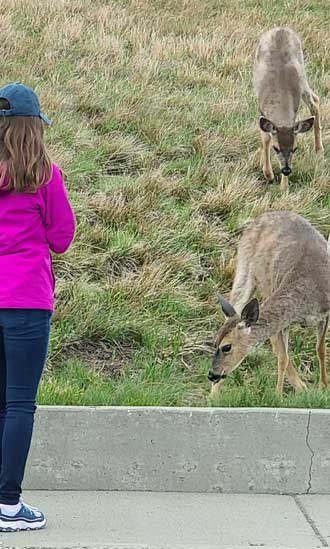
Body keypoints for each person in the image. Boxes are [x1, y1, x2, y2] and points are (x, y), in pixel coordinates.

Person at [0, 83, 75, 531]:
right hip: (26, 301)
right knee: (19, 405)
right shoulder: (46, 176)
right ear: (36, 129)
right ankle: (8, 504)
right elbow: (62, 238)